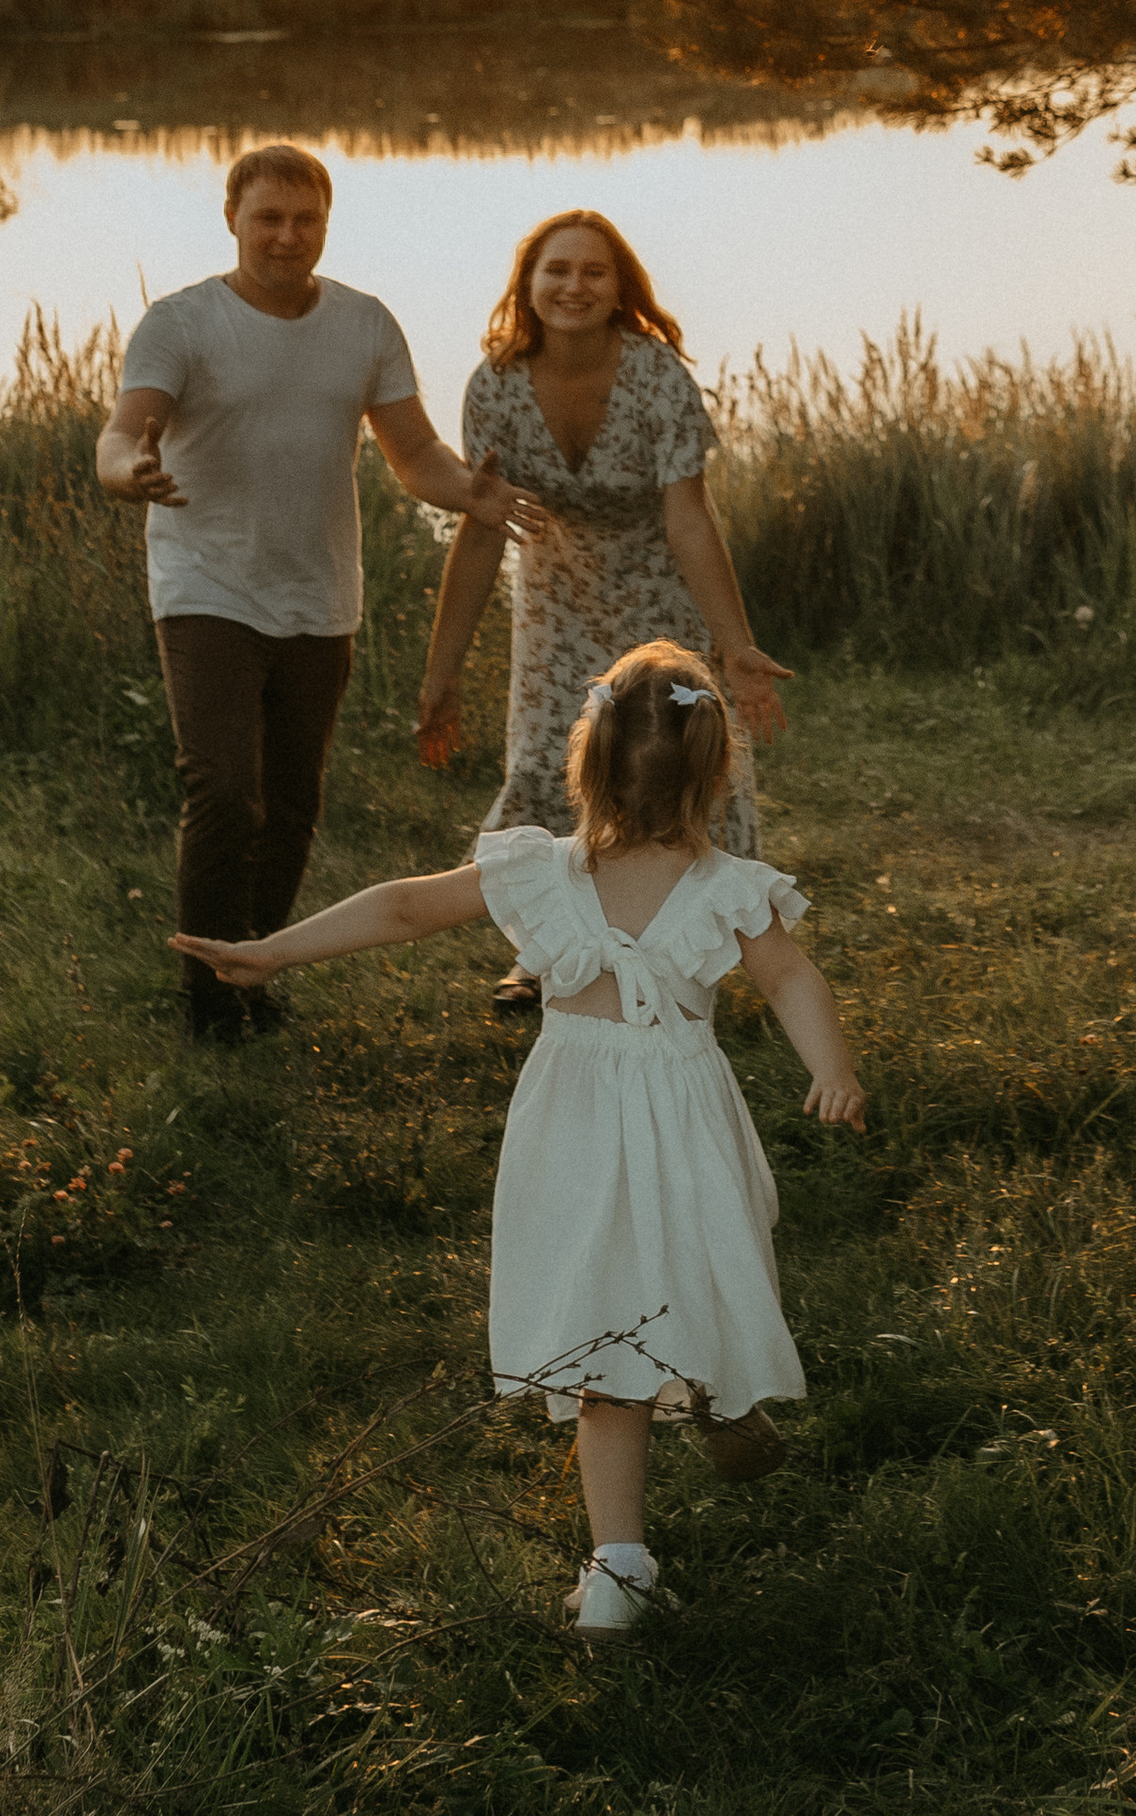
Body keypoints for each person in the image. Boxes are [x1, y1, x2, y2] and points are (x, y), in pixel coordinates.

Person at [173, 637, 864, 1637]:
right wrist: (830, 1069)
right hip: (684, 1119)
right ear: (715, 772)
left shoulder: (545, 871)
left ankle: (632, 1538)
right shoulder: (724, 886)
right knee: (692, 1268)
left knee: (609, 1333)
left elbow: (404, 906)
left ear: (586, 763)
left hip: (575, 1125)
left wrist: (274, 950)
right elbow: (790, 976)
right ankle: (698, 1412)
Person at [99, 140, 490, 1041]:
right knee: (223, 790)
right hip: (206, 586)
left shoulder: (365, 325)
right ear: (231, 218)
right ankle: (209, 1002)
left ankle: (255, 969)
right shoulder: (181, 323)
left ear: (325, 223)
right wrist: (129, 473)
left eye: (304, 218)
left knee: (292, 805)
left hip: (320, 593)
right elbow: (120, 436)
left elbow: (414, 454)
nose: (286, 235)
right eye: (267, 217)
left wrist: (474, 491)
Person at [414, 209, 792, 1012]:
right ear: (528, 284)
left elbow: (690, 517)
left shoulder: (656, 377)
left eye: (593, 270)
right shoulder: (495, 384)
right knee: (544, 768)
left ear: (620, 289)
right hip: (556, 598)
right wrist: (442, 672)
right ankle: (543, 956)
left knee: (671, 764)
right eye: (557, 269)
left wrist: (733, 646)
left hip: (660, 596)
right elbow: (481, 530)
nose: (573, 285)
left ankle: (688, 951)